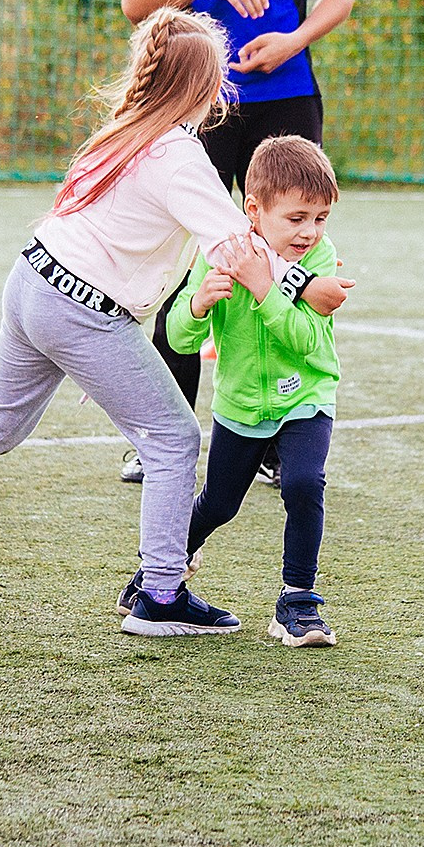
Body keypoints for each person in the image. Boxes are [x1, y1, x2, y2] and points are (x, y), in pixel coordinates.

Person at [0, 7, 349, 634]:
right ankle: (160, 596)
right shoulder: (179, 156)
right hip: (81, 308)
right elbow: (241, 246)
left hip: (30, 283)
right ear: (203, 86)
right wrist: (307, 284)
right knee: (173, 438)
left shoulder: (120, 130)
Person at [116, 0, 361, 481]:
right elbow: (135, 0)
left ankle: (276, 438)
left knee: (289, 258)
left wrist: (292, 39)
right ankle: (160, 436)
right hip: (198, 103)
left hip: (286, 96)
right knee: (187, 265)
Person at [157, 135, 345, 647]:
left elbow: (308, 341)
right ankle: (161, 575)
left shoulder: (321, 259)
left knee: (304, 485)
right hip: (240, 404)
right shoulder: (217, 253)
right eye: (297, 217)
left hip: (307, 396)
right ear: (254, 210)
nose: (311, 232)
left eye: (321, 217)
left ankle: (298, 603)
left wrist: (266, 287)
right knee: (218, 504)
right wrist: (196, 305)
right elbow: (177, 337)